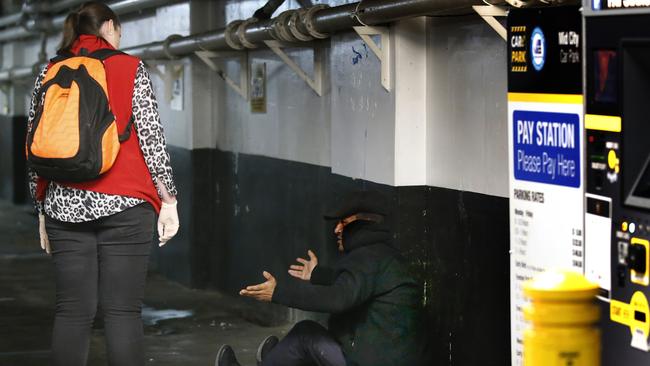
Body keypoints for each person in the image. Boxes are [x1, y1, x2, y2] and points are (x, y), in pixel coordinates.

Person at [27, 2, 179, 365]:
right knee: (123, 312)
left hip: (63, 206)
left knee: (72, 311)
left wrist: (42, 210)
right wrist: (169, 201)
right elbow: (152, 141)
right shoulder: (130, 68)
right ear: (109, 27)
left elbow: (34, 146)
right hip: (127, 205)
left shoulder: (49, 71)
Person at [216, 190, 421, 366]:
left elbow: (339, 298)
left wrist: (278, 293)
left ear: (362, 225)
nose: (337, 229)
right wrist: (318, 274)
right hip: (387, 357)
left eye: (343, 223)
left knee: (305, 335)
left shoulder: (367, 258)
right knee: (307, 347)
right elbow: (359, 283)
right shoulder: (383, 255)